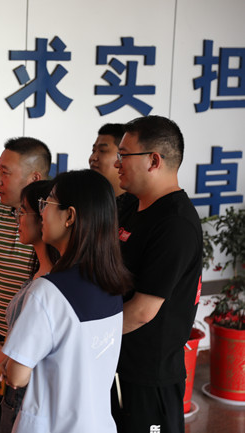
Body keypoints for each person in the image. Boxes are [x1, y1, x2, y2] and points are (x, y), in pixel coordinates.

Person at [1, 169, 132, 433]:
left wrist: (2, 358)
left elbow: (16, 376)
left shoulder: (47, 292)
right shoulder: (112, 284)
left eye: (46, 203)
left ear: (70, 216)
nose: (42, 213)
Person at [110, 116, 203, 433]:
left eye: (124, 155)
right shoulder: (128, 205)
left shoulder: (175, 223)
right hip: (115, 363)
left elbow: (142, 311)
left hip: (149, 376)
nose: (117, 163)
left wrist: (84, 337)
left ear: (153, 160)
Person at [0, 137, 52, 433]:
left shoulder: (52, 228)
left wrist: (2, 353)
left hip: (34, 349)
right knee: (0, 421)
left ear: (34, 178)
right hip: (1, 338)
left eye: (6, 172)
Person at [0, 180, 60, 432]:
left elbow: (18, 371)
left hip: (31, 403)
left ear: (44, 217)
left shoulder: (48, 288)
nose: (17, 219)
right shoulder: (38, 274)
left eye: (22, 212)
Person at [88, 123, 126, 197]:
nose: (92, 158)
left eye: (102, 150)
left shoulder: (142, 202)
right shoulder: (86, 199)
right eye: (93, 151)